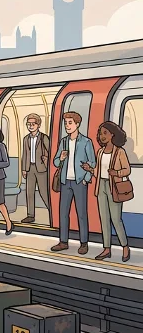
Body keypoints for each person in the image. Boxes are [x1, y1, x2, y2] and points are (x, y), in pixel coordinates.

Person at [51, 112, 96, 255]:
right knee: (63, 213)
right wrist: (62, 158)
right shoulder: (63, 141)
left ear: (77, 124)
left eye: (70, 123)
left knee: (81, 213)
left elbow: (93, 163)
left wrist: (86, 179)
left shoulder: (86, 142)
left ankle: (84, 243)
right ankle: (63, 241)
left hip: (79, 182)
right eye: (65, 123)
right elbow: (56, 161)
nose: (67, 126)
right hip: (65, 181)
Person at [88, 122, 132, 261]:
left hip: (114, 187)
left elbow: (127, 170)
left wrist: (116, 173)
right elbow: (99, 172)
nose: (102, 136)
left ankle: (125, 247)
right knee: (104, 219)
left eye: (105, 133)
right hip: (101, 186)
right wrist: (90, 169)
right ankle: (106, 249)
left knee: (116, 219)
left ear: (113, 134)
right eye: (101, 133)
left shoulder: (120, 152)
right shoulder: (100, 152)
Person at [21, 114, 51, 223]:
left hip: (42, 168)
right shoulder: (26, 139)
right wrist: (24, 169)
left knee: (44, 192)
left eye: (33, 124)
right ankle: (30, 215)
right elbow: (24, 154)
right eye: (29, 124)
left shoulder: (44, 137)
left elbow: (50, 151)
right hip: (30, 168)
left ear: (38, 125)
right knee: (29, 192)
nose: (31, 126)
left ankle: (52, 212)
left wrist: (46, 158)